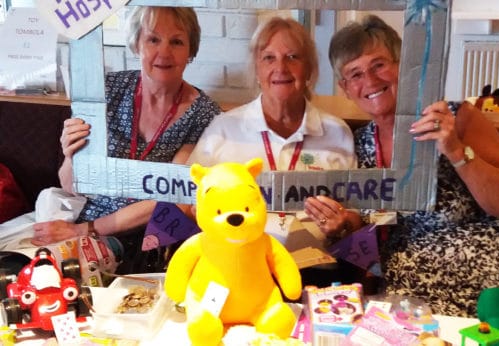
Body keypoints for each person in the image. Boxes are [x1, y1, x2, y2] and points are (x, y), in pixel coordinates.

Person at [304, 14, 499, 316]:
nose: (370, 80)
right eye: (355, 74)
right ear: (345, 88)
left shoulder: (455, 118)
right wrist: (343, 222)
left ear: (404, 66)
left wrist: (456, 151)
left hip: (487, 285)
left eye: (379, 65)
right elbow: (367, 225)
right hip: (409, 294)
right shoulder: (358, 144)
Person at [31, 6, 221, 272]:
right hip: (81, 220)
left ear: (191, 51)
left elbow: (172, 198)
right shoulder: (107, 90)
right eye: (153, 39)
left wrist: (85, 231)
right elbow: (72, 185)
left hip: (149, 238)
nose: (164, 52)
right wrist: (71, 155)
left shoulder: (204, 114)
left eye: (176, 41)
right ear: (136, 44)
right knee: (26, 273)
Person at [186, 16, 364, 287]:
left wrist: (343, 222)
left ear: (309, 70)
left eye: (293, 56)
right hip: (238, 270)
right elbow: (189, 200)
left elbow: (359, 214)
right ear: (256, 69)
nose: (281, 67)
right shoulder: (223, 129)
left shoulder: (337, 132)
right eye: (268, 57)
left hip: (317, 275)